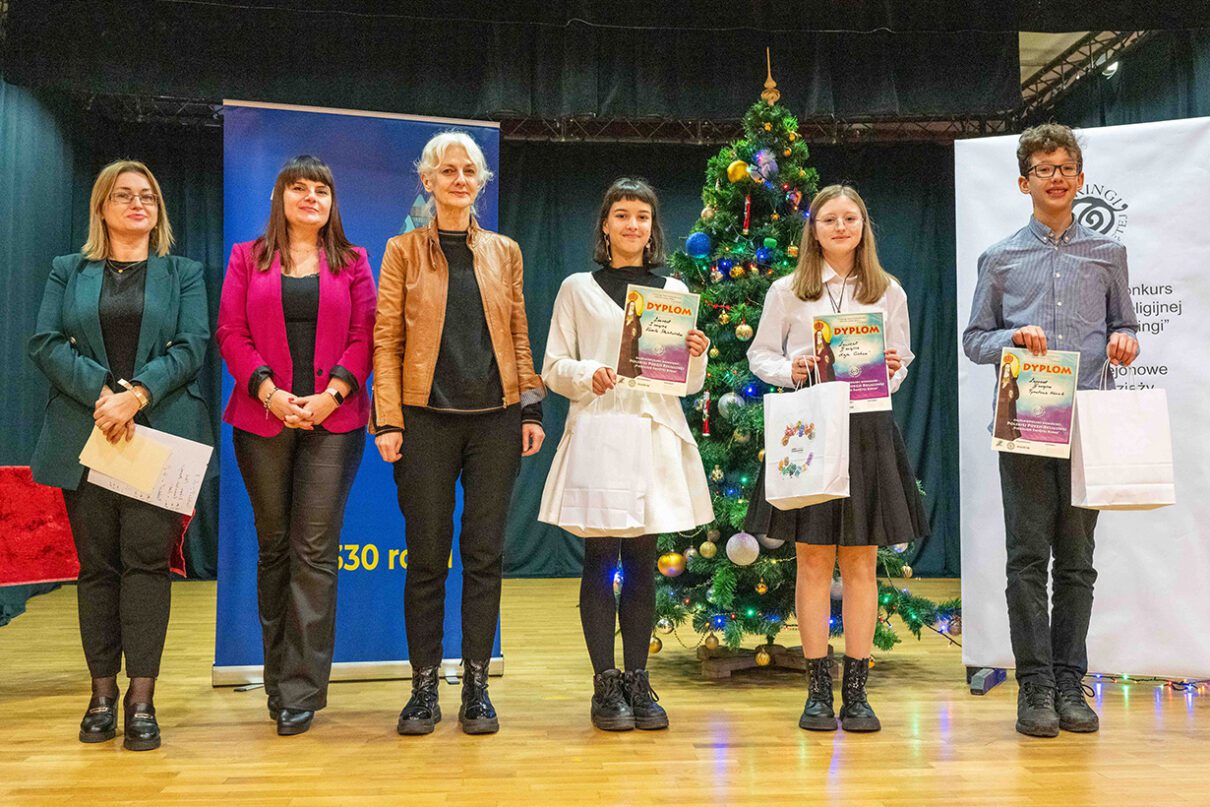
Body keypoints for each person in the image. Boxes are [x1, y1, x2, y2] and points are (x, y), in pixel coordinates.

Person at [28, 159, 213, 751]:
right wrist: (103, 396)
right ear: (102, 207)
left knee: (147, 566)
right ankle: (101, 694)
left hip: (157, 432)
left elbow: (193, 346)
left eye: (148, 197)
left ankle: (142, 699)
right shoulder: (68, 269)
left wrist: (136, 396)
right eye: (125, 195)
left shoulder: (182, 273)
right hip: (87, 435)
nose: (138, 204)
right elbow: (46, 342)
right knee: (98, 568)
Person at [963, 123, 1139, 738]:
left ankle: (1070, 682)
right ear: (1025, 182)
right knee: (1026, 558)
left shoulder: (1108, 253)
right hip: (1025, 423)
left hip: (1089, 422)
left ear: (1080, 178)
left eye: (1066, 167)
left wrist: (1125, 341)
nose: (1057, 177)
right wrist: (1011, 337)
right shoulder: (1000, 257)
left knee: (1078, 562)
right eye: (1044, 168)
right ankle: (1034, 686)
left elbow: (1125, 325)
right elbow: (974, 341)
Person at [372, 131, 545, 736]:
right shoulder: (401, 251)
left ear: (481, 182)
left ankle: (476, 687)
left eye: (469, 171)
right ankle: (424, 689)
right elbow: (386, 340)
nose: (459, 179)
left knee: (484, 557)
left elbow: (519, 332)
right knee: (426, 559)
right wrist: (388, 418)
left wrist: (530, 409)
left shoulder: (505, 251)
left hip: (496, 421)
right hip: (423, 420)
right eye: (447, 171)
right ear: (427, 180)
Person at [746, 184, 927, 733]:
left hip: (868, 430)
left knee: (862, 563)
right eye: (830, 219)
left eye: (850, 218)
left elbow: (901, 360)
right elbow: (760, 355)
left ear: (863, 226)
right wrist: (791, 369)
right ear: (815, 229)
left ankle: (857, 692)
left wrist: (891, 366)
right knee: (812, 560)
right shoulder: (786, 290)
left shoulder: (888, 290)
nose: (841, 227)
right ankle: (818, 690)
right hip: (809, 428)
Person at [538, 177, 713, 731]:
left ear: (652, 227)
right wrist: (589, 372)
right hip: (599, 430)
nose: (632, 224)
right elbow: (553, 368)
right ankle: (605, 685)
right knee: (601, 557)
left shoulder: (672, 290)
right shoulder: (576, 288)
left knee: (642, 560)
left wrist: (697, 354)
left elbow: (686, 385)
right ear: (606, 225)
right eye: (622, 214)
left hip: (653, 434)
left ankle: (638, 680)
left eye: (642, 216)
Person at [216, 155, 376, 737]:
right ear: (280, 197)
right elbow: (231, 332)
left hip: (334, 420)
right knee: (275, 549)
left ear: (332, 202)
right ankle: (277, 677)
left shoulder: (354, 262)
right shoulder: (247, 257)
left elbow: (366, 335)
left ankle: (301, 691)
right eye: (299, 188)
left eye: (321, 190)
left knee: (314, 552)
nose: (311, 197)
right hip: (263, 418)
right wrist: (268, 391)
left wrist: (332, 395)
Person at [993, 356, 1022, 443]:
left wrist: (1012, 393)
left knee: (1011, 417)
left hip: (1009, 405)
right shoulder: (1003, 381)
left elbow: (1016, 395)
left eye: (1009, 369)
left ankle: (1013, 434)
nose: (1007, 370)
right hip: (1002, 407)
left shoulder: (1013, 382)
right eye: (1006, 369)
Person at [615, 295, 644, 379]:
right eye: (630, 307)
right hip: (625, 343)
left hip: (632, 341)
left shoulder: (636, 318)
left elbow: (639, 332)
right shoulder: (624, 317)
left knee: (633, 356)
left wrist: (635, 332)